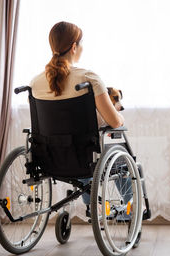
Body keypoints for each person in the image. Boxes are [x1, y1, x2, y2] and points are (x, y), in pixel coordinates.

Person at [30, 21, 132, 218]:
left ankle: (91, 206)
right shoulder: (88, 78)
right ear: (74, 47)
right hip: (84, 158)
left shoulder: (35, 83)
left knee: (83, 150)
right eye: (81, 44)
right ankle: (132, 207)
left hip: (51, 158)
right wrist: (120, 116)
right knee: (109, 151)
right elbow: (114, 121)